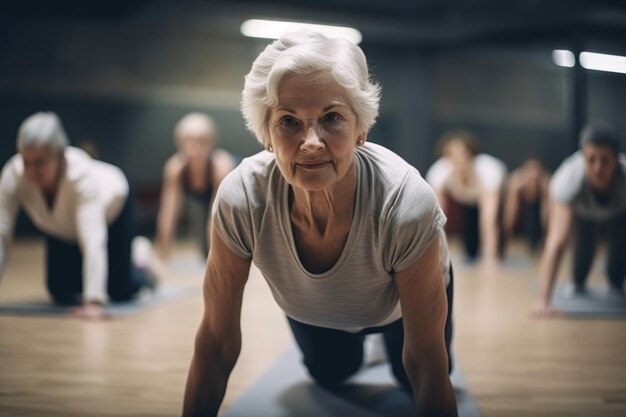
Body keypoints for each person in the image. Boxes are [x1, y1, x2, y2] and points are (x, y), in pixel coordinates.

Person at [182, 30, 457, 417]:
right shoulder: (242, 197)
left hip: (396, 306)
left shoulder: (405, 201)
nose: (311, 142)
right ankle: (358, 347)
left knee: (408, 374)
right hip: (317, 308)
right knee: (332, 374)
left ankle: (382, 344)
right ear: (266, 135)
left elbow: (426, 363)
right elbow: (215, 340)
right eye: (289, 122)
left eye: (332, 118)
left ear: (361, 128)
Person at [0, 112, 157, 320]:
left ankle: (141, 262)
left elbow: (93, 239)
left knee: (120, 290)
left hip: (113, 209)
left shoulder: (80, 177)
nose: (31, 171)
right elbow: (2, 231)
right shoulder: (13, 174)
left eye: (39, 162)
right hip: (62, 226)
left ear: (60, 156)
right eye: (26, 161)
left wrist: (93, 302)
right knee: (60, 291)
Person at [534, 122, 626, 317]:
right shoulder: (568, 179)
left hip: (620, 211)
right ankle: (577, 281)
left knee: (619, 258)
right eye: (591, 160)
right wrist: (543, 301)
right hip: (581, 211)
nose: (598, 168)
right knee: (581, 262)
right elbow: (556, 242)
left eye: (605, 161)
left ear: (617, 160)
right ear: (583, 157)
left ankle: (616, 282)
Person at [155, 112, 236, 262]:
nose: (194, 147)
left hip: (237, 203)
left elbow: (217, 214)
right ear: (179, 142)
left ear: (211, 143)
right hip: (207, 203)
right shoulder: (176, 168)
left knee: (221, 253)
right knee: (205, 252)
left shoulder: (221, 166)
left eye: (201, 141)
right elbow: (168, 212)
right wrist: (163, 256)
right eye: (187, 141)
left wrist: (216, 261)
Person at [425, 130, 507, 262]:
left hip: (488, 198)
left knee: (497, 241)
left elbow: (489, 219)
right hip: (466, 200)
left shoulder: (488, 171)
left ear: (471, 155)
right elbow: (437, 218)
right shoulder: (439, 172)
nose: (457, 160)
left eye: (462, 154)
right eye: (451, 155)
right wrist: (437, 257)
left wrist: (490, 261)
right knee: (470, 249)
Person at [502, 157, 551, 252]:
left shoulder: (545, 184)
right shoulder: (516, 182)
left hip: (538, 223)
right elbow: (510, 215)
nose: (533, 176)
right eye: (529, 172)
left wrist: (545, 195)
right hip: (520, 220)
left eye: (536, 173)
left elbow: (547, 217)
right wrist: (515, 194)